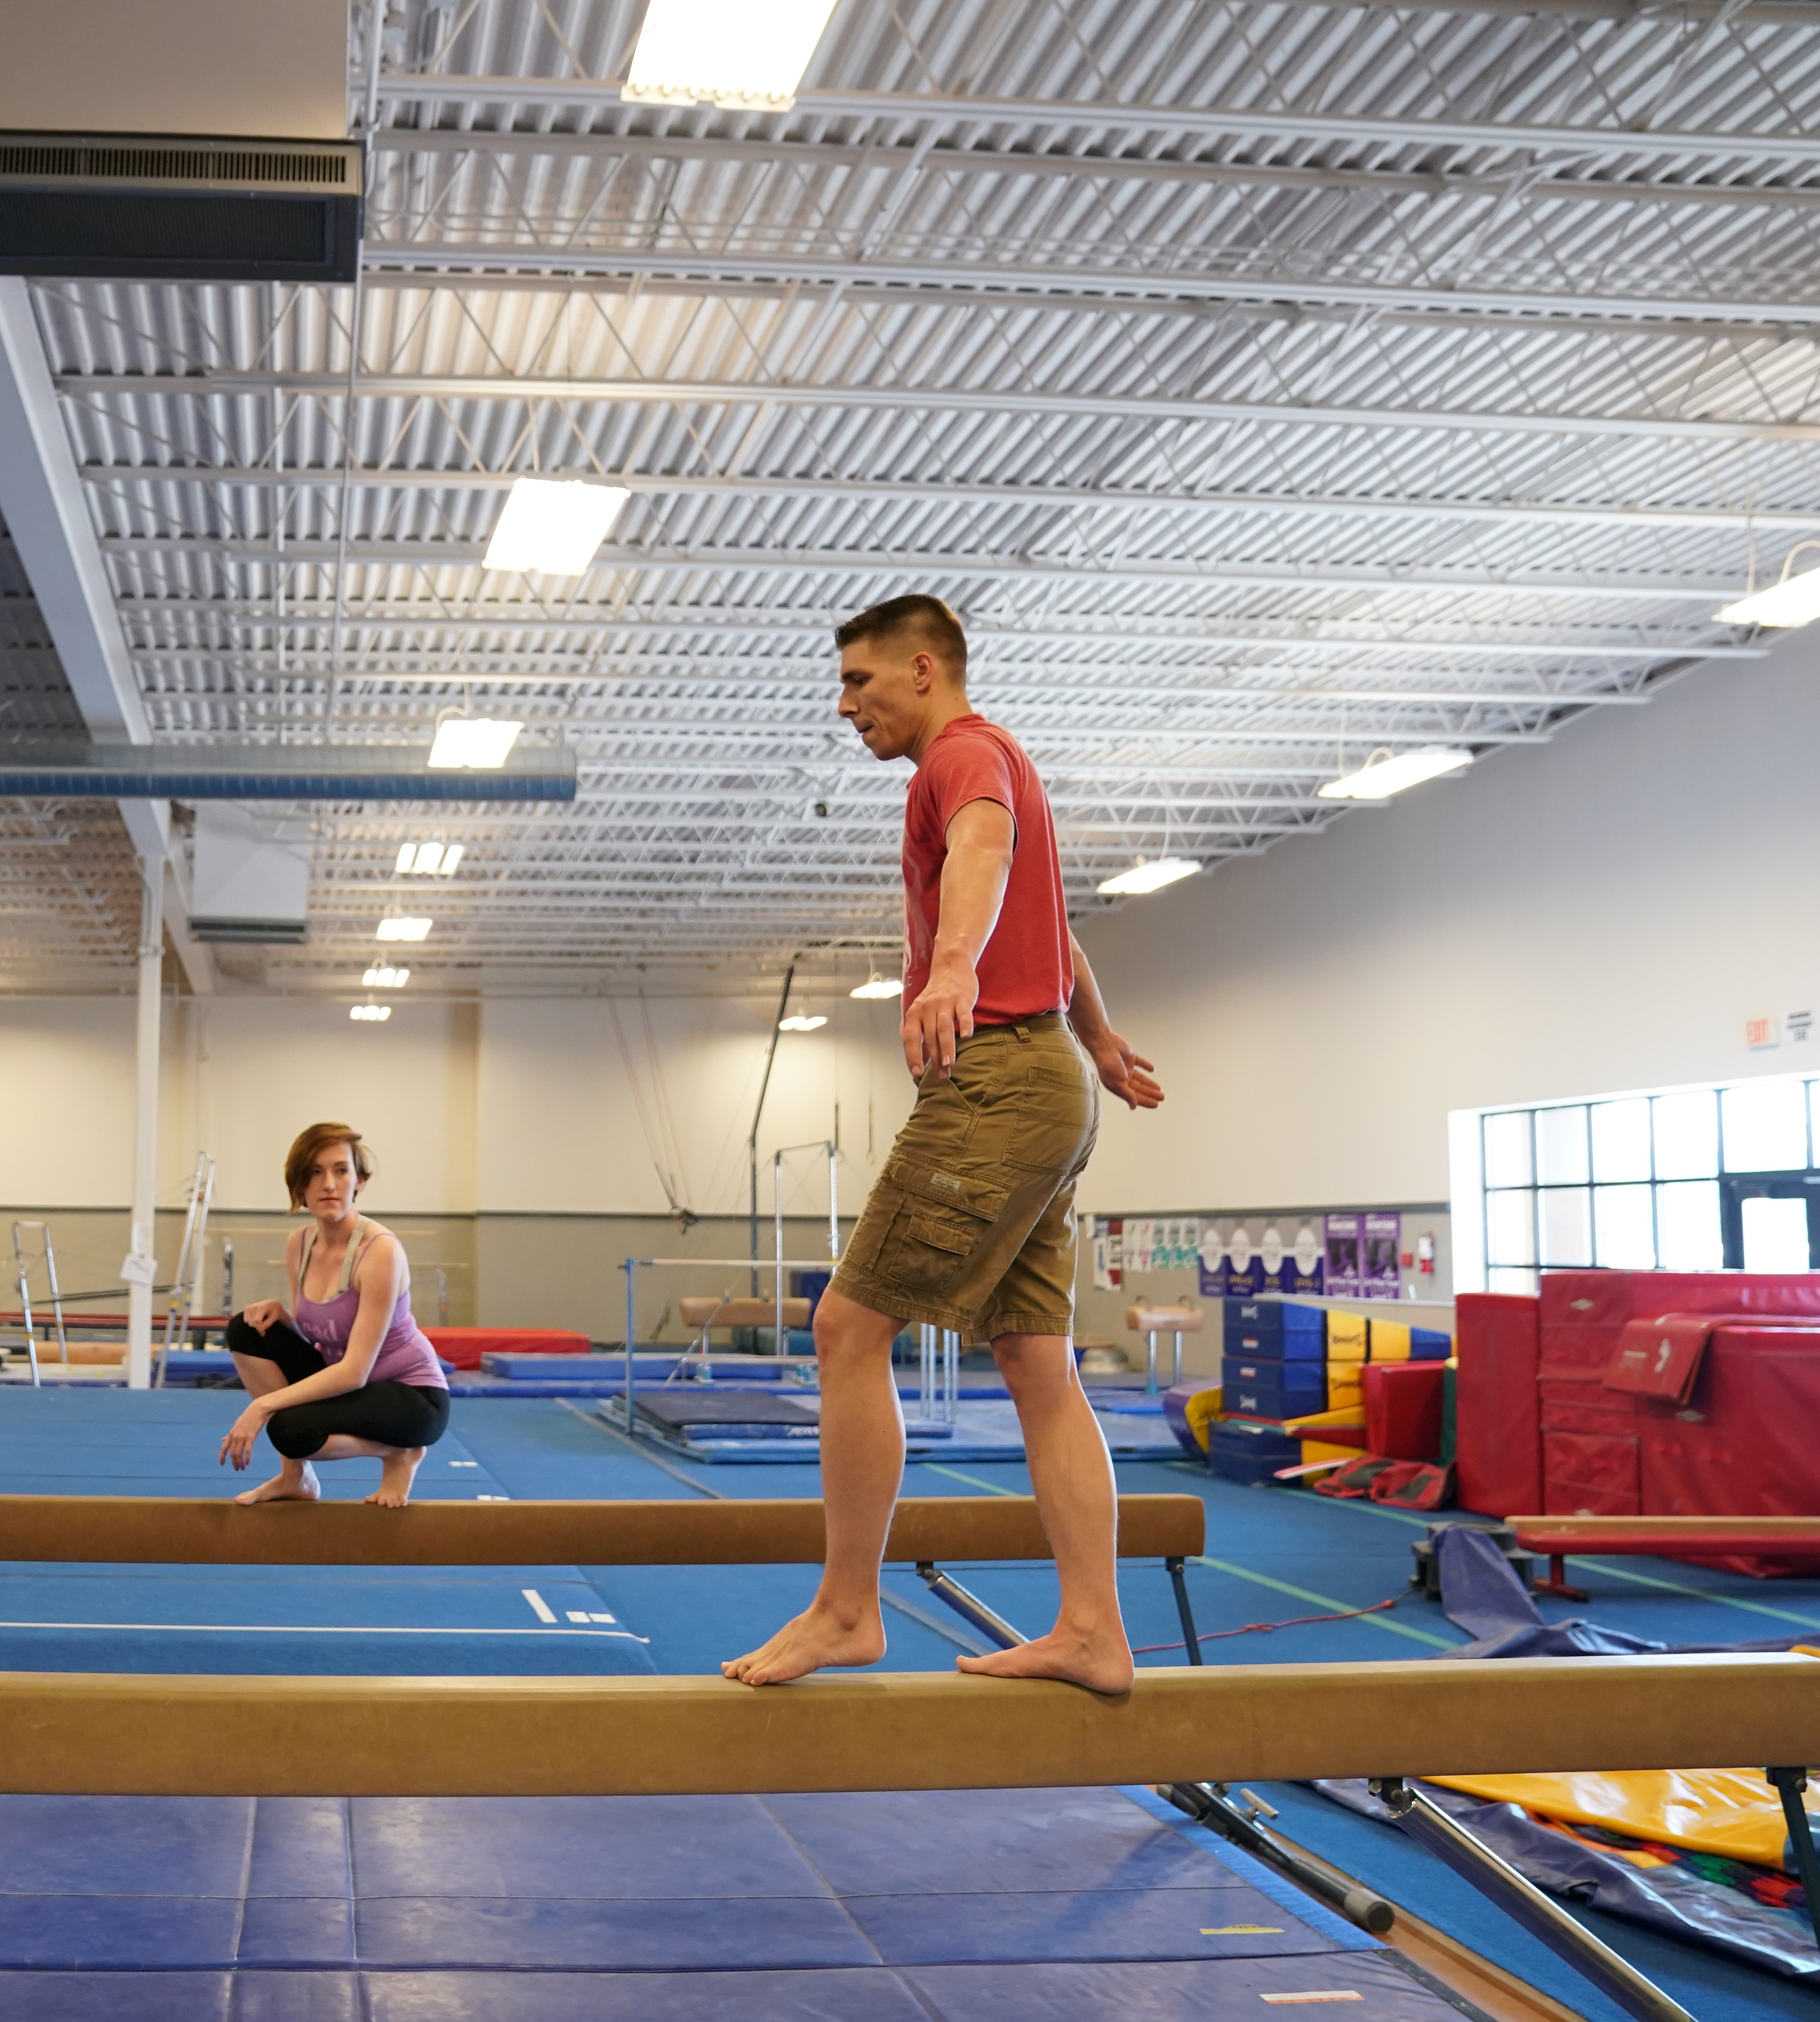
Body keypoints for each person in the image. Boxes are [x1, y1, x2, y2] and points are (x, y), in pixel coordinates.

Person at [725, 594, 1164, 1693]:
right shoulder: (999, 756)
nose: (845, 706)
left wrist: (957, 964)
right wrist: (1097, 1037)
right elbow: (1050, 920)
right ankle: (1092, 1631)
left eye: (860, 684)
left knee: (844, 1328)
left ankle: (844, 1610)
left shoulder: (960, 760)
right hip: (1052, 1075)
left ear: (923, 669)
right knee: (1034, 1358)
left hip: (1003, 1079)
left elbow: (986, 850)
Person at [219, 1122, 450, 1508]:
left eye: (341, 1171)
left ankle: (399, 1453)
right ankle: (297, 1479)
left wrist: (262, 1406)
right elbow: (322, 1335)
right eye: (315, 1172)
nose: (329, 1184)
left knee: (289, 1430)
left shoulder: (380, 1252)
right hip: (352, 1387)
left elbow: (356, 1369)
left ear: (358, 1181)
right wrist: (284, 1317)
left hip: (410, 1398)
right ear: (299, 1186)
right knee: (247, 1329)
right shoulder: (300, 1244)